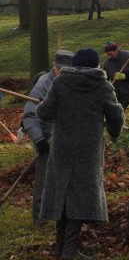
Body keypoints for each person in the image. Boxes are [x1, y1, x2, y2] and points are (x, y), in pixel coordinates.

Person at [36, 48, 124, 260]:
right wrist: (113, 128)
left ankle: (63, 250)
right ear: (96, 65)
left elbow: (44, 113)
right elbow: (116, 117)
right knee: (79, 198)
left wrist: (43, 105)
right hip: (88, 151)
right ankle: (68, 251)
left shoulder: (60, 83)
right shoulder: (102, 86)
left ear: (74, 64)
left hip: (62, 149)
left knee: (62, 197)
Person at [22, 50, 74, 227]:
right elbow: (29, 116)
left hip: (66, 136)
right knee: (44, 181)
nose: (63, 73)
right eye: (61, 70)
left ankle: (66, 216)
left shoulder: (71, 81)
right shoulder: (43, 85)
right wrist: (38, 140)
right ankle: (40, 219)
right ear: (55, 67)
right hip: (47, 137)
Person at [103, 41, 129, 130]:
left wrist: (125, 76)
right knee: (117, 113)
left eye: (111, 54)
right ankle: (116, 130)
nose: (110, 56)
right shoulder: (107, 63)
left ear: (116, 50)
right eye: (108, 55)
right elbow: (105, 78)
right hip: (121, 93)